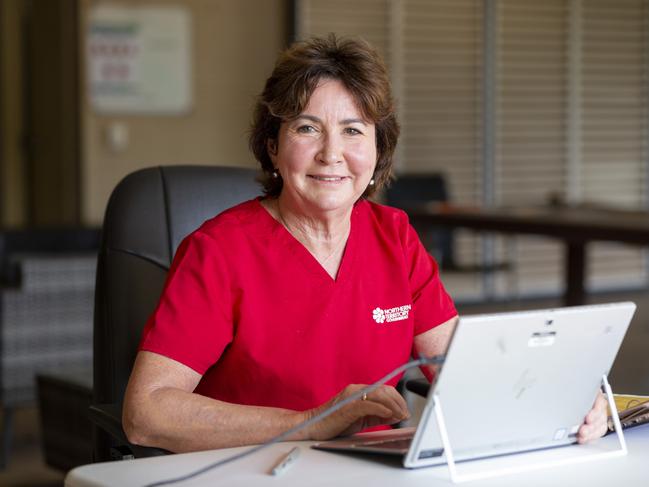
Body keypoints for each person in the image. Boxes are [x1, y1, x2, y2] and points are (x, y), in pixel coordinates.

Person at [122, 35, 608, 453]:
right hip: (249, 471)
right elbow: (146, 413)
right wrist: (308, 424)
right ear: (273, 146)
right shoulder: (219, 251)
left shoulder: (394, 236)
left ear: (377, 154)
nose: (332, 153)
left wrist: (566, 397)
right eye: (307, 128)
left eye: (353, 131)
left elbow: (465, 370)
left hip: (369, 471)